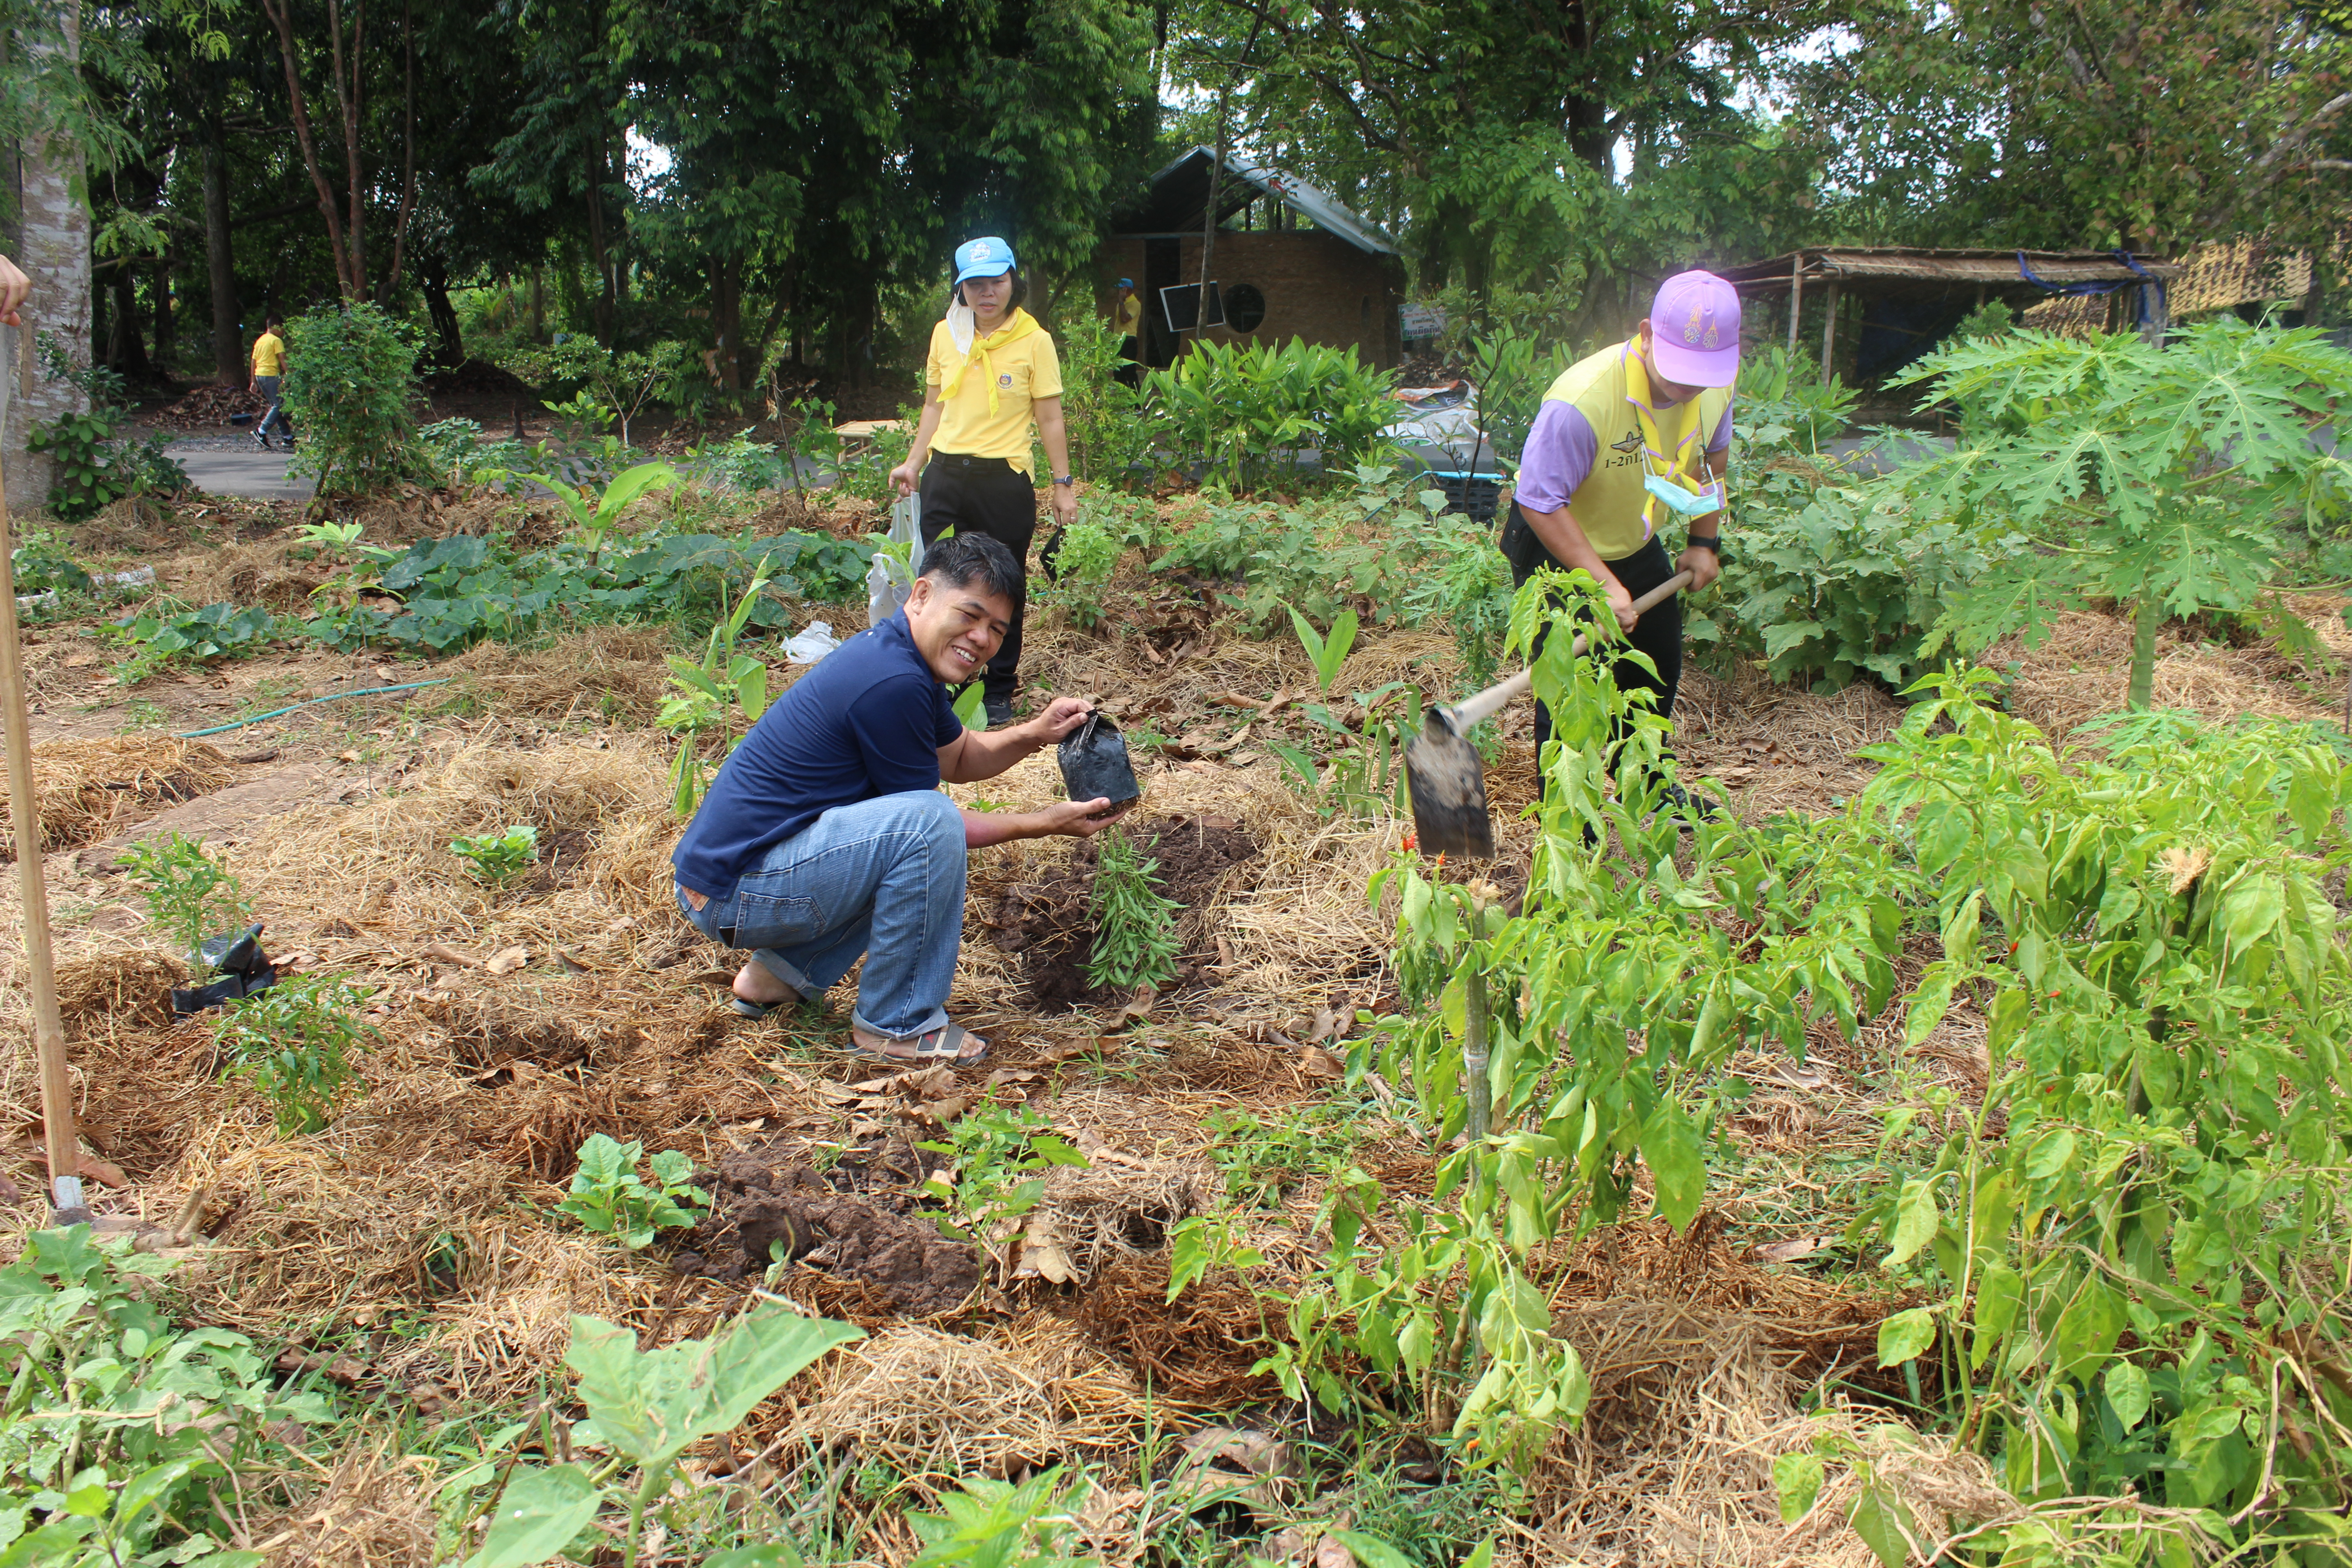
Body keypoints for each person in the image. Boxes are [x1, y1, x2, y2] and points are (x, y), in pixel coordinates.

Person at [671, 532, 1115, 1065]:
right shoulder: (891, 680)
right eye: (970, 616)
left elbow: (959, 757)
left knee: (909, 835)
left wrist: (1035, 732)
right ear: (921, 595)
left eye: (997, 629)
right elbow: (931, 829)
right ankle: (897, 1023)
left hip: (737, 882)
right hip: (737, 891)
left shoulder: (901, 657)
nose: (981, 639)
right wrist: (1043, 821)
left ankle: (779, 977)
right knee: (926, 826)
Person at [1498, 269, 1737, 812]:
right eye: (1678, 372)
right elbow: (1539, 500)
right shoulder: (1582, 402)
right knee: (1571, 694)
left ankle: (1649, 787)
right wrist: (1601, 585)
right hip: (1557, 546)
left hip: (1634, 538)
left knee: (1656, 664)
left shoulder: (1716, 385)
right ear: (1647, 333)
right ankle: (1568, 823)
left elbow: (1712, 459)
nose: (1686, 389)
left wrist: (1705, 541)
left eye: (1700, 376)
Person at [888, 237, 1079, 728]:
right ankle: (933, 680)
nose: (987, 293)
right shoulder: (944, 335)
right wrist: (914, 462)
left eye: (997, 281)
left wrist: (1063, 484)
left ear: (1013, 280)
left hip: (1004, 480)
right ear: (962, 289)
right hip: (946, 474)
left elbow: (1051, 418)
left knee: (1003, 584)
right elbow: (934, 405)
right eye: (976, 284)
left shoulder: (1034, 340)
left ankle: (997, 690)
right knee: (937, 581)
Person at [249, 315, 292, 451]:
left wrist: (253, 381)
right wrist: (290, 375)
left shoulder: (260, 340)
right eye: (282, 328)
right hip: (271, 375)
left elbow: (253, 362)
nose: (283, 331)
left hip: (260, 376)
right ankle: (261, 431)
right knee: (279, 405)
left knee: (276, 406)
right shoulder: (276, 340)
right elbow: (282, 359)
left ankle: (288, 438)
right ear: (276, 326)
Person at [1112, 277, 1143, 387]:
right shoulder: (1121, 304)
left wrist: (1121, 301)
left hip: (1129, 340)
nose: (1119, 292)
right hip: (1118, 341)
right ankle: (1123, 398)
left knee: (1129, 371)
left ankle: (1136, 402)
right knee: (1118, 372)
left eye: (1121, 290)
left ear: (1127, 290)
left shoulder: (1135, 304)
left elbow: (1125, 319)